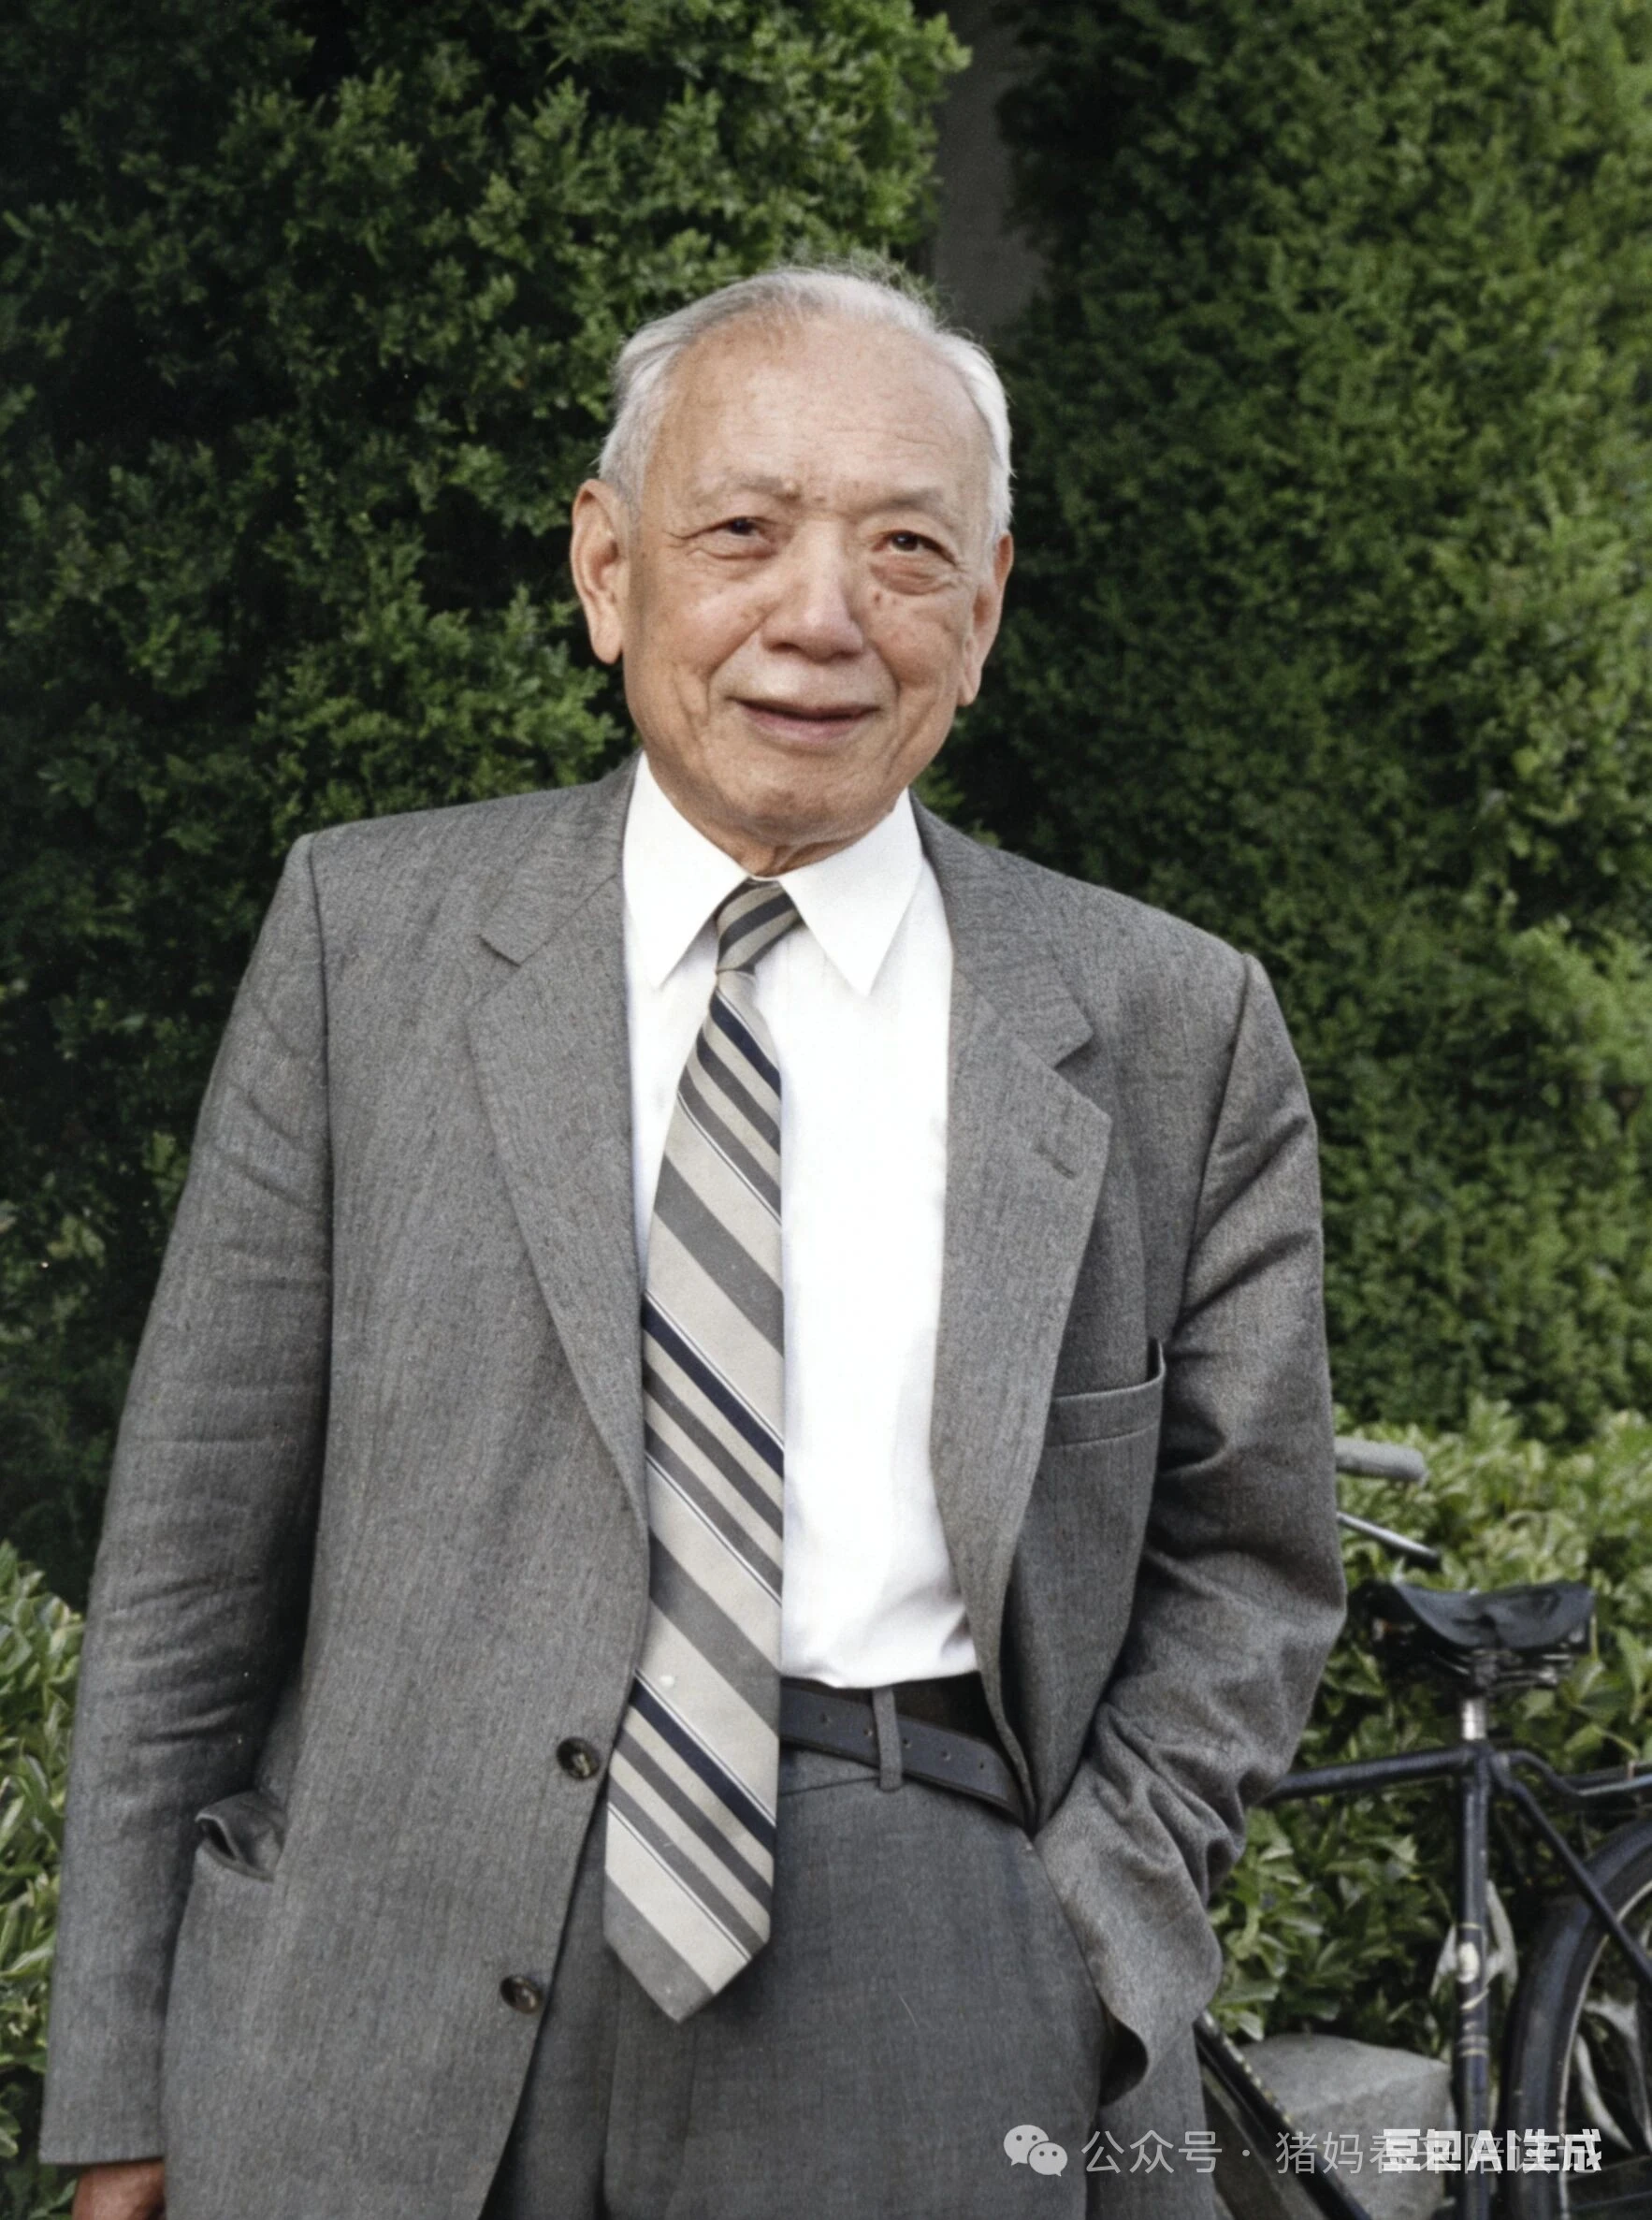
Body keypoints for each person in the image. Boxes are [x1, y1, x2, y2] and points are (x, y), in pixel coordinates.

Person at [41, 263, 1344, 2220]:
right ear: (607, 568)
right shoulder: (365, 942)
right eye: (741, 531)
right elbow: (189, 1549)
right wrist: (118, 2079)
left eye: (905, 549)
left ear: (982, 612)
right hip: (365, 1978)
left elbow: (1248, 1560)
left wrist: (1077, 1938)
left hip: (921, 1967)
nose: (820, 614)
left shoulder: (1169, 1022)